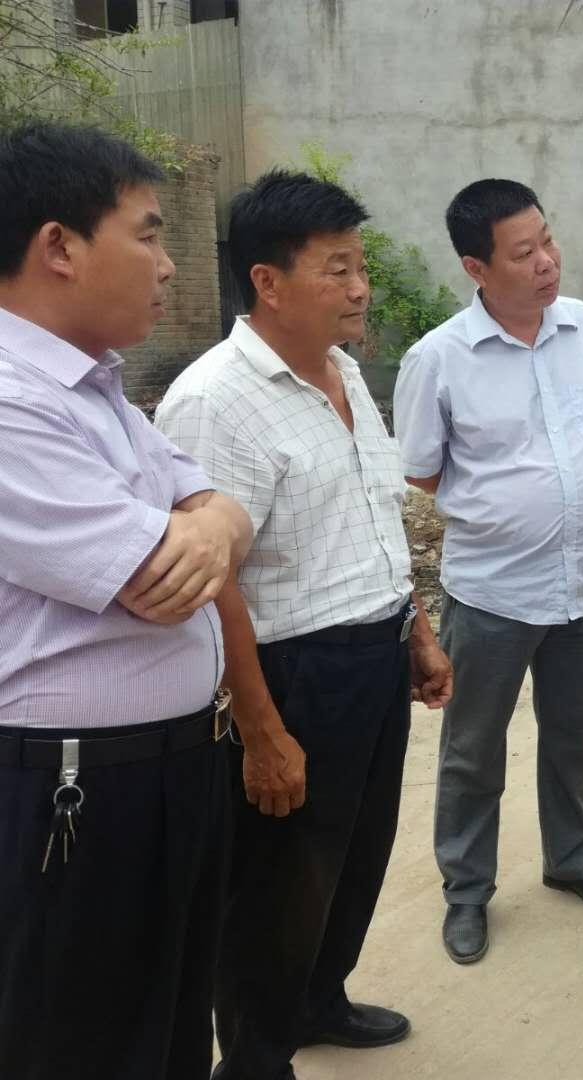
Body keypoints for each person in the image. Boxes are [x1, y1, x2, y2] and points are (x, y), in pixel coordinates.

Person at [155, 170, 452, 1080]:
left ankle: (321, 1001)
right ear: (268, 281)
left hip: (372, 656)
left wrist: (414, 630)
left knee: (354, 856)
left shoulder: (344, 371)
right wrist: (261, 730)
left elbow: (370, 517)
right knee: (278, 882)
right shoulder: (217, 401)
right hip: (291, 673)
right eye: (337, 269)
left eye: (361, 266)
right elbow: (215, 582)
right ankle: (254, 1057)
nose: (361, 288)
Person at [0, 122, 253, 1080]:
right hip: (74, 791)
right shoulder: (11, 400)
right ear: (58, 246)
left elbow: (225, 514)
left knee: (172, 1026)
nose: (169, 263)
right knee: (81, 1042)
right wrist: (206, 527)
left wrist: (212, 524)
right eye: (148, 234)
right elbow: (158, 584)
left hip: (170, 768)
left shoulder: (95, 388)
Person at [394, 179, 583, 967]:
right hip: (493, 593)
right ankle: (467, 890)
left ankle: (572, 859)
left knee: (571, 739)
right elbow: (422, 471)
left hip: (581, 586)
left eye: (548, 240)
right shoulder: (439, 359)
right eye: (523, 252)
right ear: (477, 267)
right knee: (473, 751)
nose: (547, 262)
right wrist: (505, 504)